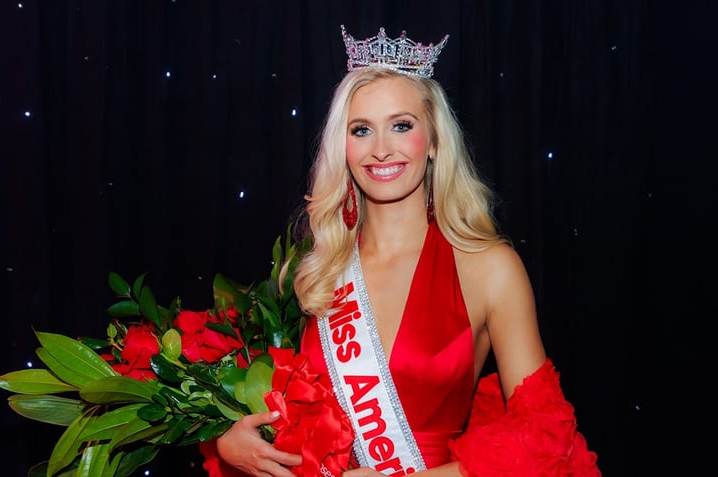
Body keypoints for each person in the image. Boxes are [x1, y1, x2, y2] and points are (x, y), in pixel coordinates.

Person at [210, 25, 601, 477]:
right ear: (343, 145)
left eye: (401, 125)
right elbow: (278, 404)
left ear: (433, 141)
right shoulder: (316, 265)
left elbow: (543, 438)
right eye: (361, 130)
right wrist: (228, 437)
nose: (381, 150)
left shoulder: (489, 268)